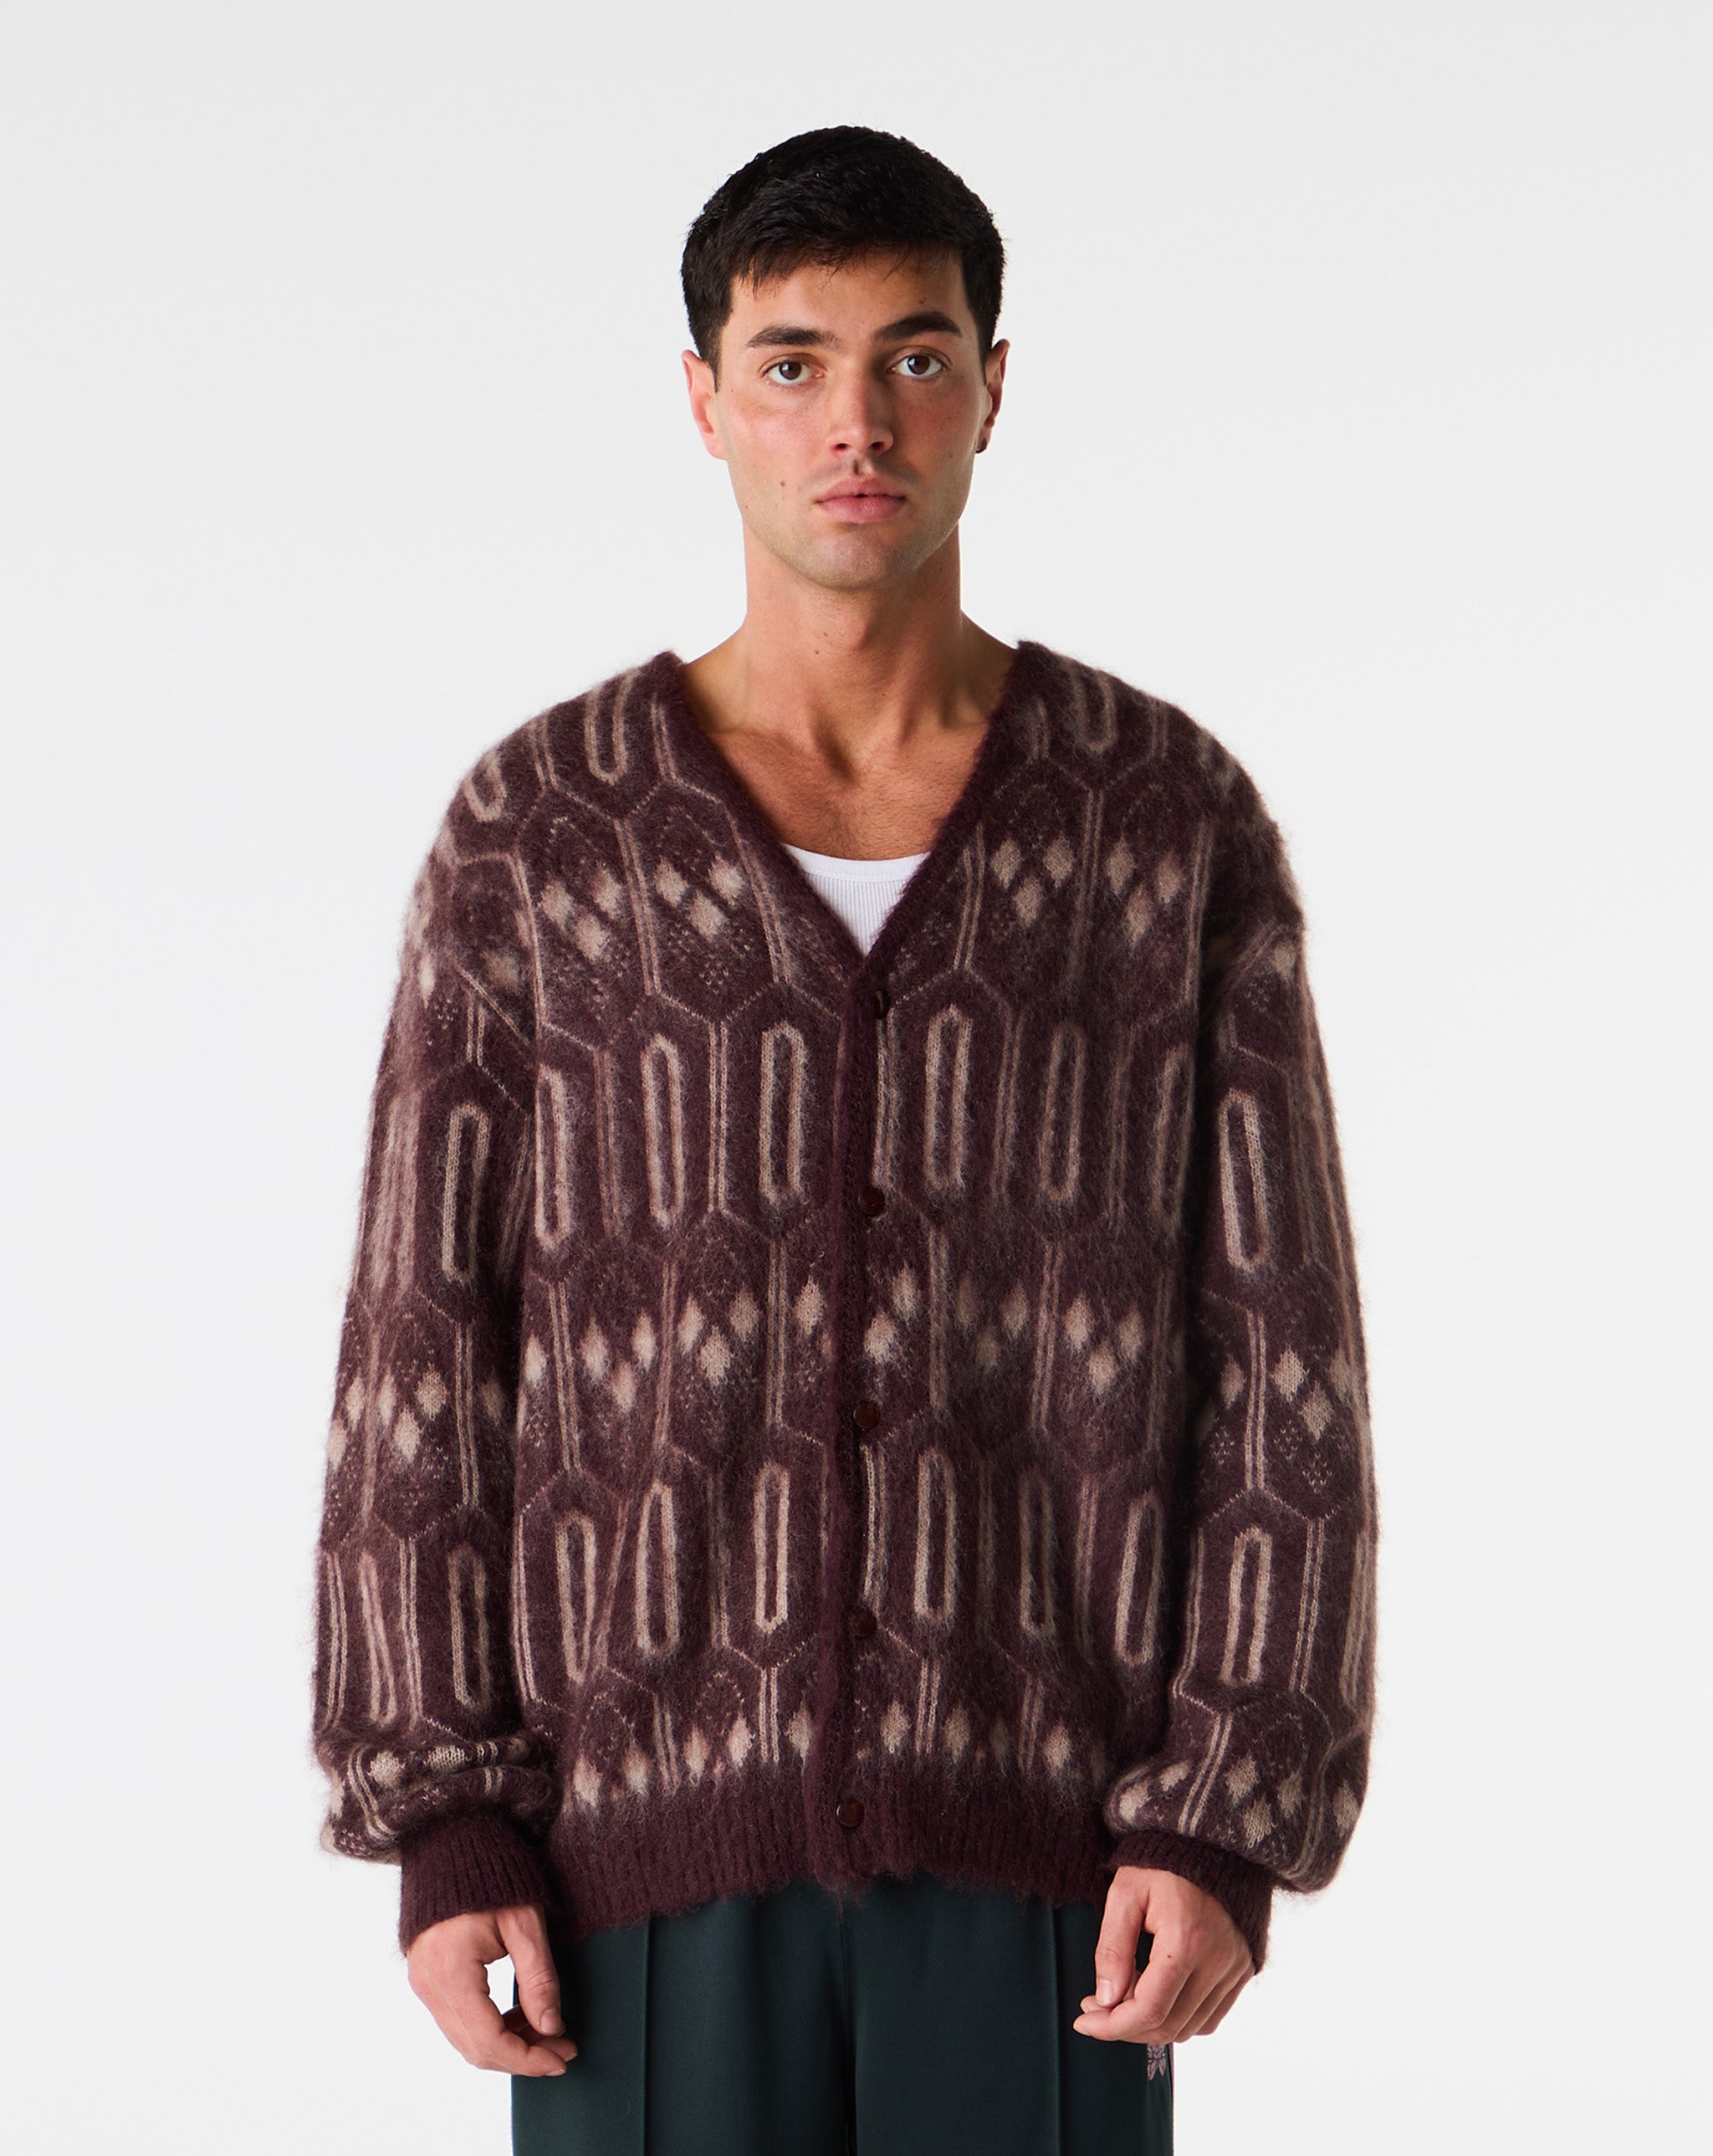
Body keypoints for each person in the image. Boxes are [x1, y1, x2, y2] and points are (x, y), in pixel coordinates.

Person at [310, 125, 1378, 2153]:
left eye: (913, 356)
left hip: (1058, 1862)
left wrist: (1225, 1804)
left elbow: (1278, 1353)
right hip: (630, 1866)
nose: (854, 421)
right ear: (702, 399)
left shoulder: (1161, 824)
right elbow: (422, 1342)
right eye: (791, 362)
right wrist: (444, 1813)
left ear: (992, 387)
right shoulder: (545, 834)